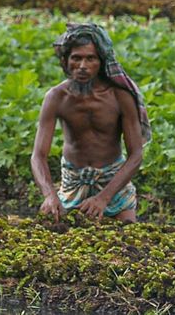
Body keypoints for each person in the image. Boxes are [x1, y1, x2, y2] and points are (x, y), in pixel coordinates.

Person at [31, 23, 151, 223]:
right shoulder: (57, 98)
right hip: (73, 183)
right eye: (76, 58)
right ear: (66, 61)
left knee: (128, 239)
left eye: (90, 58)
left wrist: (103, 198)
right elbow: (38, 155)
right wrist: (49, 195)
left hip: (112, 183)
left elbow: (136, 154)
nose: (83, 66)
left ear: (101, 62)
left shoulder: (120, 97)